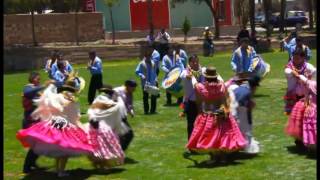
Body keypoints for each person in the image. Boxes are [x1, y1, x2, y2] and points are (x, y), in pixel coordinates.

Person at [16, 75, 92, 177]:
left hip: (55, 124)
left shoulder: (56, 97)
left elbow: (50, 107)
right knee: (65, 151)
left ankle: (57, 170)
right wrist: (82, 129)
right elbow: (75, 118)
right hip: (65, 126)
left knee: (59, 149)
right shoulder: (72, 102)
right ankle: (61, 171)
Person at [186, 67, 246, 163]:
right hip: (222, 114)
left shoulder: (201, 87)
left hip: (208, 115)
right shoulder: (221, 86)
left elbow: (195, 86)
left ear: (206, 77)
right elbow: (224, 85)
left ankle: (214, 157)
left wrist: (192, 76)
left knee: (210, 136)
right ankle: (223, 158)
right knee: (222, 136)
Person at [86, 84, 130, 168]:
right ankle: (103, 165)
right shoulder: (113, 104)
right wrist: (119, 99)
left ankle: (99, 163)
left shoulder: (96, 101)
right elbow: (120, 110)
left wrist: (93, 120)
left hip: (94, 127)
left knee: (98, 147)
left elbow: (91, 112)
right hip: (105, 129)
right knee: (106, 148)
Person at [21, 72, 50, 173]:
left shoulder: (37, 90)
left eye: (39, 79)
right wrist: (43, 86)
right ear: (32, 79)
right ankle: (26, 167)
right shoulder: (27, 88)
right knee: (37, 144)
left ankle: (32, 163)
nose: (39, 80)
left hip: (37, 121)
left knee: (41, 143)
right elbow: (28, 93)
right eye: (38, 79)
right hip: (29, 122)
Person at [228, 74, 261, 154]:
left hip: (231, 109)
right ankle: (244, 147)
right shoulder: (248, 92)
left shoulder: (240, 87)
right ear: (254, 86)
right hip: (239, 112)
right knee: (245, 130)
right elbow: (247, 108)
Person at [285, 71, 317, 151]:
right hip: (312, 106)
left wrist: (299, 75)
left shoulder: (311, 84)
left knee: (311, 127)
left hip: (312, 109)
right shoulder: (310, 83)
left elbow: (304, 81)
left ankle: (311, 145)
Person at [180, 55, 205, 141]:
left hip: (201, 102)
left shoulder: (202, 71)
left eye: (197, 61)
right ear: (189, 63)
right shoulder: (185, 72)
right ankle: (191, 143)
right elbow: (184, 76)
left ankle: (200, 142)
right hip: (191, 102)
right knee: (191, 124)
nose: (195, 63)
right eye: (193, 62)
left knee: (202, 123)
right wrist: (189, 75)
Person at [283, 48, 316, 115]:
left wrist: (310, 75)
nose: (295, 60)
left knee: (306, 114)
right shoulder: (290, 66)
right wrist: (293, 72)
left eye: (297, 58)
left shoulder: (307, 66)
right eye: (294, 58)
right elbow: (287, 72)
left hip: (306, 95)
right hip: (293, 96)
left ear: (303, 58)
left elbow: (314, 71)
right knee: (294, 115)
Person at [114, 80, 137, 151]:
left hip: (122, 116)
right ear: (128, 86)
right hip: (115, 116)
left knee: (127, 135)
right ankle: (118, 151)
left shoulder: (129, 93)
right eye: (133, 88)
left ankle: (118, 151)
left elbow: (129, 104)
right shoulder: (117, 91)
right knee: (128, 135)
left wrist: (131, 111)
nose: (134, 90)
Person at [135, 47, 158, 114]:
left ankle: (153, 110)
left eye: (150, 56)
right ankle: (146, 110)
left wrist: (156, 79)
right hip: (145, 83)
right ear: (145, 56)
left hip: (153, 82)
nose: (149, 58)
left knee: (154, 96)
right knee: (145, 97)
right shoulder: (141, 63)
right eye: (148, 57)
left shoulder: (153, 63)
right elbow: (137, 71)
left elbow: (154, 72)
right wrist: (142, 75)